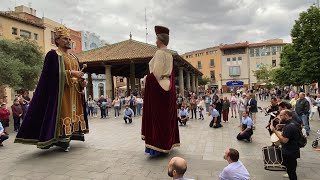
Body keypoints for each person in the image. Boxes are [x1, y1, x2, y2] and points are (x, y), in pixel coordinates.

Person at [14, 27, 89, 151]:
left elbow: (78, 75)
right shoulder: (53, 55)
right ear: (57, 40)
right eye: (65, 39)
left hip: (74, 94)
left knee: (73, 116)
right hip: (61, 95)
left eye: (69, 39)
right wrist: (71, 73)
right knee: (63, 115)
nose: (68, 41)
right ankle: (61, 140)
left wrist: (82, 82)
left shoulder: (74, 58)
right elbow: (49, 76)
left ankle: (71, 136)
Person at [141, 25, 180, 156]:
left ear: (160, 39)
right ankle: (167, 143)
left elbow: (156, 73)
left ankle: (158, 145)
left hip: (159, 85)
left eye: (156, 38)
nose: (155, 41)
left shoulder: (159, 53)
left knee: (157, 117)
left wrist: (146, 78)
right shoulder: (170, 54)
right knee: (165, 118)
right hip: (167, 84)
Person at [270, 110, 300, 180]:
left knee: (291, 173)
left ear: (286, 115)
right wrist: (282, 125)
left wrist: (274, 131)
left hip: (290, 152)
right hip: (294, 150)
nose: (279, 117)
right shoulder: (293, 122)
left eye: (281, 115)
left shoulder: (289, 127)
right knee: (292, 170)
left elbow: (284, 140)